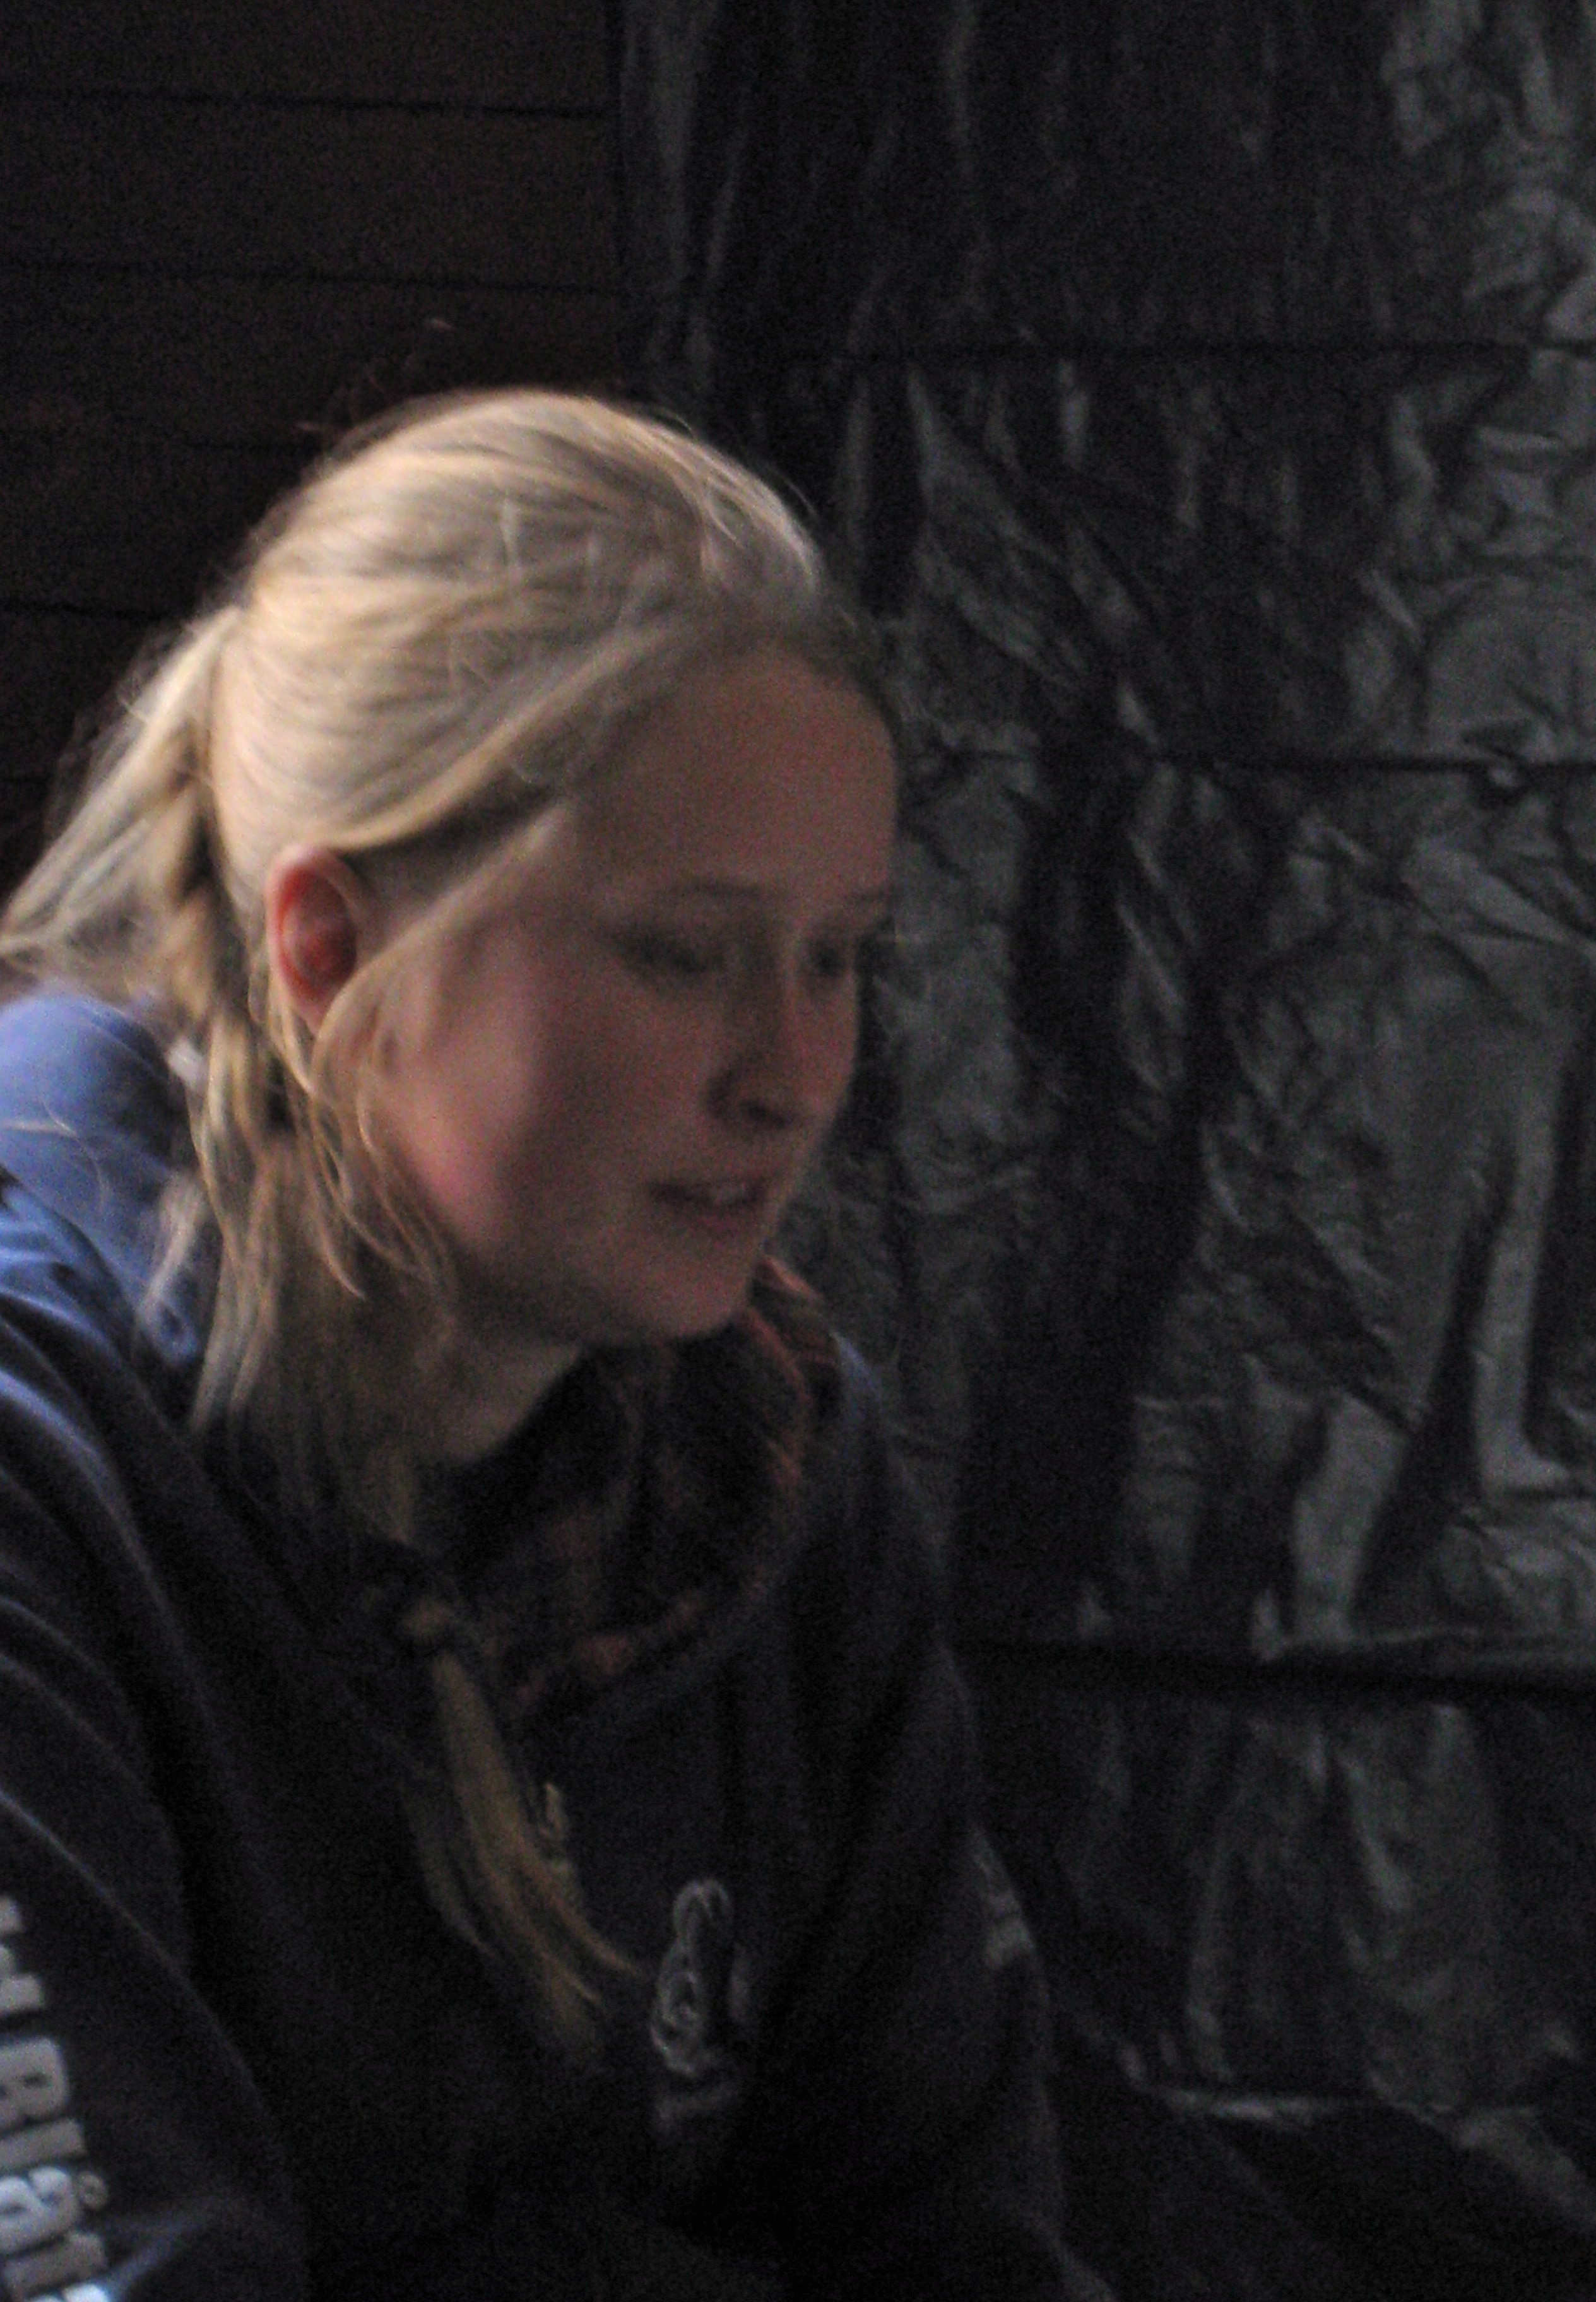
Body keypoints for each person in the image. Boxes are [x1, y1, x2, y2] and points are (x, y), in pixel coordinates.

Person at [0, 391, 1111, 2299]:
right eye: (685, 952)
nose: (792, 1074)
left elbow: (952, 2237)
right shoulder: (44, 1460)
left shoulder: (770, 1458)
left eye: (837, 954)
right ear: (332, 953)